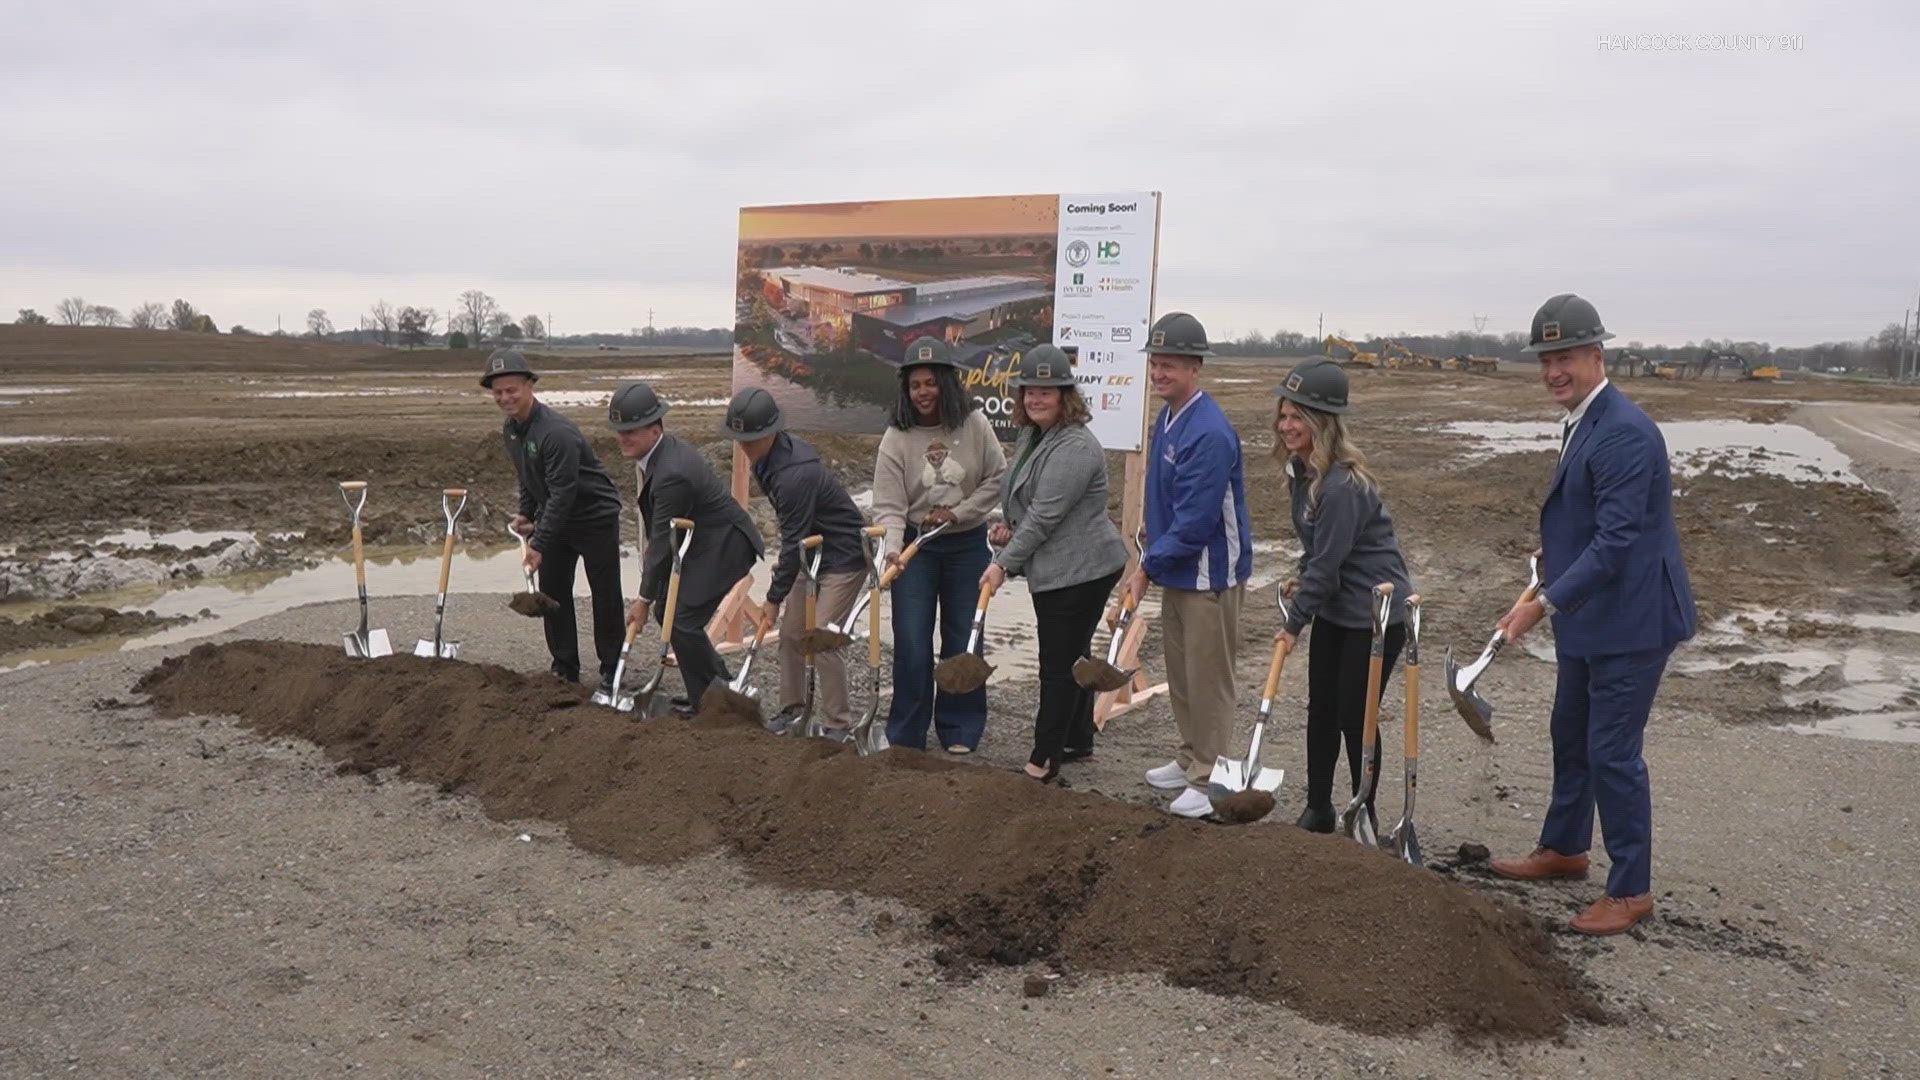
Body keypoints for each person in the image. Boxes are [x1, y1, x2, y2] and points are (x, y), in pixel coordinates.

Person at [1490, 293, 1696, 936]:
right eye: (1546, 358)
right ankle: (1565, 849)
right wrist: (1556, 554)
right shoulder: (1585, 418)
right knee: (1570, 734)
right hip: (1593, 614)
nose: (1555, 370)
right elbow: (1596, 520)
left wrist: (1541, 606)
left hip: (1633, 621)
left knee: (1612, 752)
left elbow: (1619, 542)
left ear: (1597, 355)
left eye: (1567, 356)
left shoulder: (1626, 431)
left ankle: (1631, 888)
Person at [1120, 312, 1253, 818]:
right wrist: (1153, 559)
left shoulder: (1210, 432)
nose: (1158, 374)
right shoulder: (1170, 417)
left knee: (1209, 678)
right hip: (1178, 568)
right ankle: (1190, 755)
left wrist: (1146, 567)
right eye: (1155, 364)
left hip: (1209, 575)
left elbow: (1197, 521)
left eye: (1169, 365)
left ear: (1196, 368)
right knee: (1181, 672)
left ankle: (1209, 776)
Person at [1272, 358, 1413, 833]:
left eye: (1298, 417)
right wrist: (1301, 573)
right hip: (1337, 607)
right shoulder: (1303, 472)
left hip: (1377, 614)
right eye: (1284, 415)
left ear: (1323, 424)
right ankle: (1318, 808)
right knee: (1322, 708)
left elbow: (1328, 567)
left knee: (1356, 714)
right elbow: (1317, 552)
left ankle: (1363, 811)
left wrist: (1292, 626)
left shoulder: (1342, 486)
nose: (1287, 426)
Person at [981, 345, 1128, 782]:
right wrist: (1007, 527)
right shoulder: (1033, 435)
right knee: (1074, 653)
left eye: (1047, 391)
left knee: (1056, 664)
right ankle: (1078, 737)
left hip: (1082, 570)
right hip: (1059, 566)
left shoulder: (1076, 447)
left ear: (1067, 395)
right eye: (1030, 390)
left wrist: (1003, 564)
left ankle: (1044, 759)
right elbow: (1025, 500)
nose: (1036, 399)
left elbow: (1046, 515)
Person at [871, 336, 1007, 753]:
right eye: (915, 385)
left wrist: (960, 513)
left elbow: (996, 478)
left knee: (963, 637)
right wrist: (893, 550)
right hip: (918, 548)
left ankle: (960, 727)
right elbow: (889, 505)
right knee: (911, 640)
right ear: (906, 390)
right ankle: (908, 733)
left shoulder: (975, 425)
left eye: (931, 382)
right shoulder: (896, 437)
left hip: (967, 546)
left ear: (946, 382)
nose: (923, 392)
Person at [606, 381, 764, 713]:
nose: (623, 437)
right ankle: (716, 691)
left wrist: (643, 600)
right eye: (619, 429)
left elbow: (662, 544)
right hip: (702, 541)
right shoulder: (660, 455)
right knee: (671, 613)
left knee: (680, 618)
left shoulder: (670, 473)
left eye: (631, 429)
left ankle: (714, 698)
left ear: (654, 429)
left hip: (726, 544)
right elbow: (662, 539)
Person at [722, 387, 868, 738]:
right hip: (812, 554)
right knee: (790, 634)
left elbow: (791, 541)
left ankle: (838, 724)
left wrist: (773, 597)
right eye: (741, 438)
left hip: (845, 555)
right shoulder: (766, 459)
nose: (745, 446)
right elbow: (797, 542)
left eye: (752, 439)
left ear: (772, 431)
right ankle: (793, 709)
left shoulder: (794, 474)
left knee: (821, 637)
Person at [484, 348, 625, 694]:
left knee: (604, 595)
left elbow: (564, 492)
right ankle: (565, 667)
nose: (505, 397)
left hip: (594, 517)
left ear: (529, 385)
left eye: (512, 389)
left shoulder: (555, 433)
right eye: (498, 391)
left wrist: (540, 543)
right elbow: (529, 477)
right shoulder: (512, 430)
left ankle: (612, 671)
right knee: (553, 592)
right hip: (558, 517)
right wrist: (527, 514)